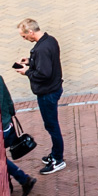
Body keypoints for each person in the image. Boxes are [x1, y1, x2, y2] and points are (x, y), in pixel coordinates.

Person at [14, 19, 65, 175]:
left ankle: (58, 159)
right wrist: (30, 62)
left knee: (52, 126)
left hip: (47, 93)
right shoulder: (50, 40)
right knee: (52, 125)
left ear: (30, 32)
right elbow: (46, 63)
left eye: (24, 36)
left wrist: (27, 72)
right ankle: (56, 154)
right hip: (54, 88)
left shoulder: (40, 49)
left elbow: (44, 73)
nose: (24, 39)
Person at [0, 72, 34, 196]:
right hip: (6, 125)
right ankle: (13, 181)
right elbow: (7, 98)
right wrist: (10, 114)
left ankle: (23, 179)